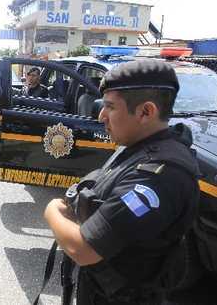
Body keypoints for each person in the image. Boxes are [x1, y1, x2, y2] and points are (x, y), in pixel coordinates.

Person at [44, 59, 200, 305]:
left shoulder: (160, 175)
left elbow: (83, 249)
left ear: (145, 112)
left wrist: (52, 210)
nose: (101, 115)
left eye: (110, 106)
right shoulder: (138, 146)